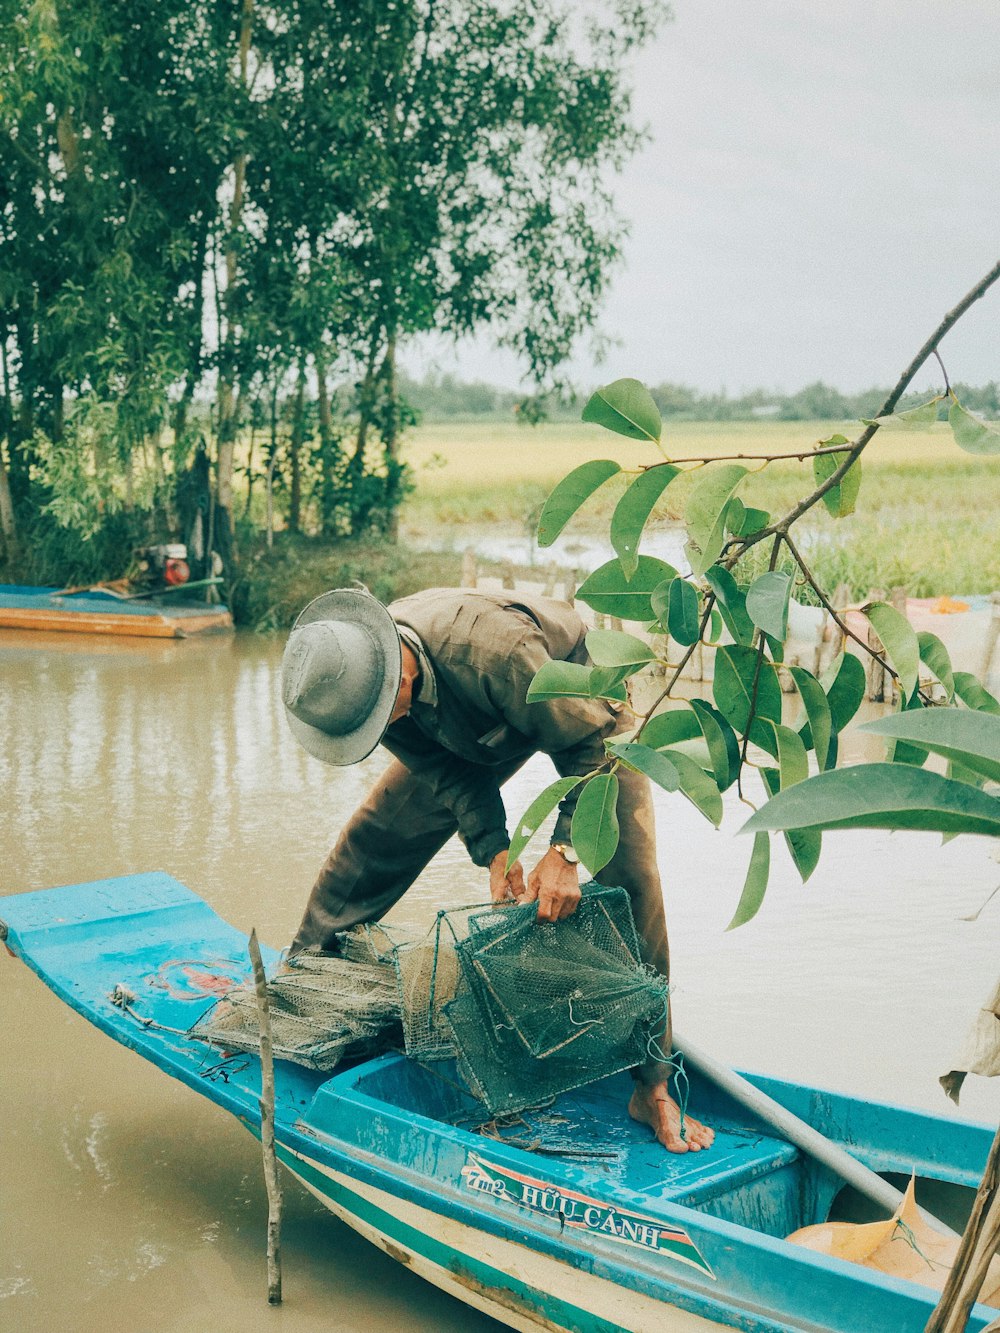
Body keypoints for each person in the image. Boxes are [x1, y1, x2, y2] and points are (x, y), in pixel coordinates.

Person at [281, 585, 714, 1155]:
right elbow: (450, 773)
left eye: (385, 714)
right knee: (375, 839)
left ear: (400, 676)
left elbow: (596, 747)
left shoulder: (497, 654)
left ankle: (652, 1085)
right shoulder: (364, 685)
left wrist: (566, 853)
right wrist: (494, 848)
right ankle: (301, 978)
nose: (383, 727)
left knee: (630, 879)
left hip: (576, 700)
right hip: (469, 721)